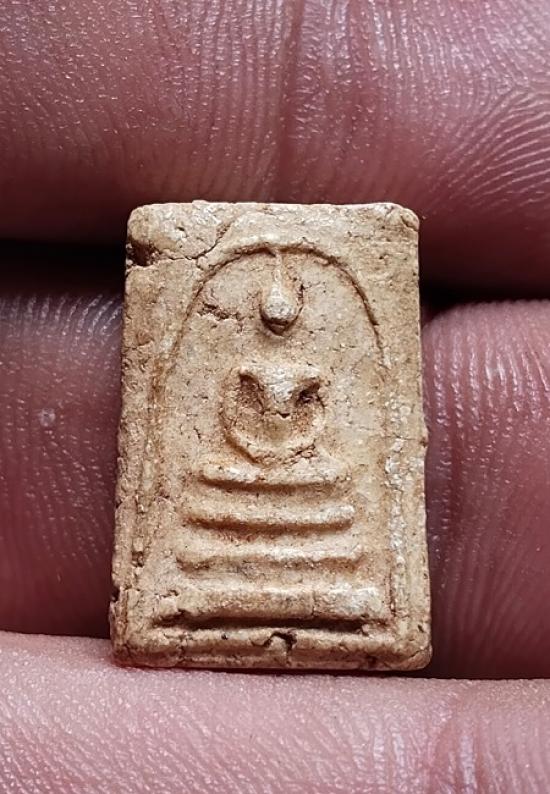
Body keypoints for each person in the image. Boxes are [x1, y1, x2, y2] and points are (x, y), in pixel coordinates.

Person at [1, 1, 549, 790]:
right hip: (230, 485)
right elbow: (222, 422)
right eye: (271, 310)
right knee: (209, 501)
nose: (279, 317)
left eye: (286, 309)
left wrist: (295, 445)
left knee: (328, 503)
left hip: (311, 488)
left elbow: (323, 428)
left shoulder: (323, 351)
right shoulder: (228, 343)